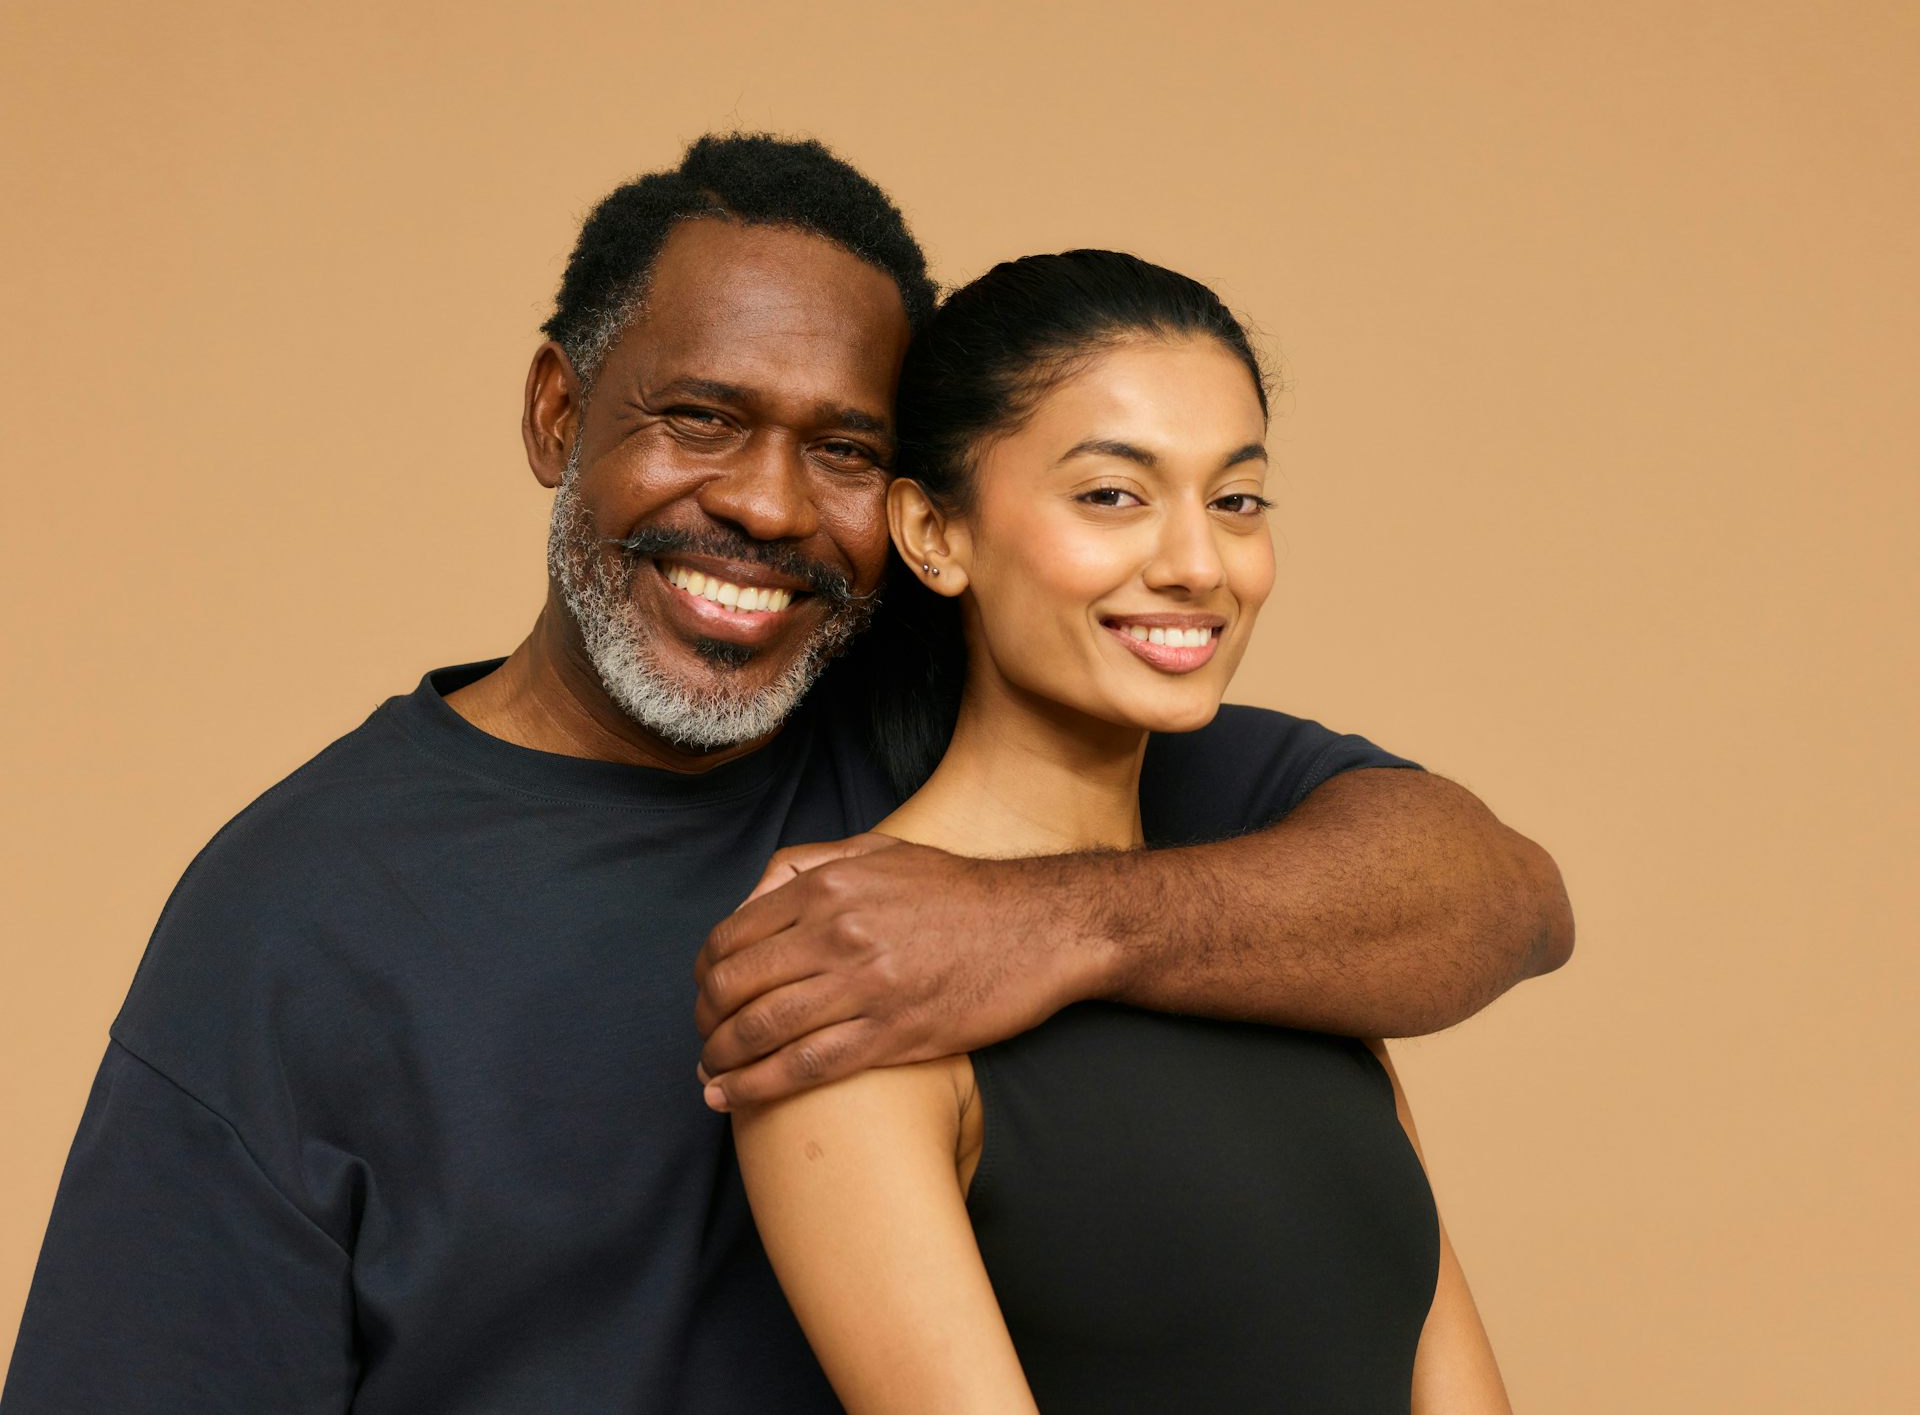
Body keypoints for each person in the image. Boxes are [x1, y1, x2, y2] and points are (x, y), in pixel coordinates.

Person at [2, 135, 1569, 1412]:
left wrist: (1040, 923)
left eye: (840, 450)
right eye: (700, 417)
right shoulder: (297, 911)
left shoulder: (993, 738)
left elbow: (1497, 896)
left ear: (912, 514)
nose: (763, 505)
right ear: (559, 414)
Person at [735, 249, 1511, 1413]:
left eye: (1236, 499)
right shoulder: (847, 978)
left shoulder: (1288, 944)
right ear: (934, 531)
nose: (1200, 564)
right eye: (1113, 494)